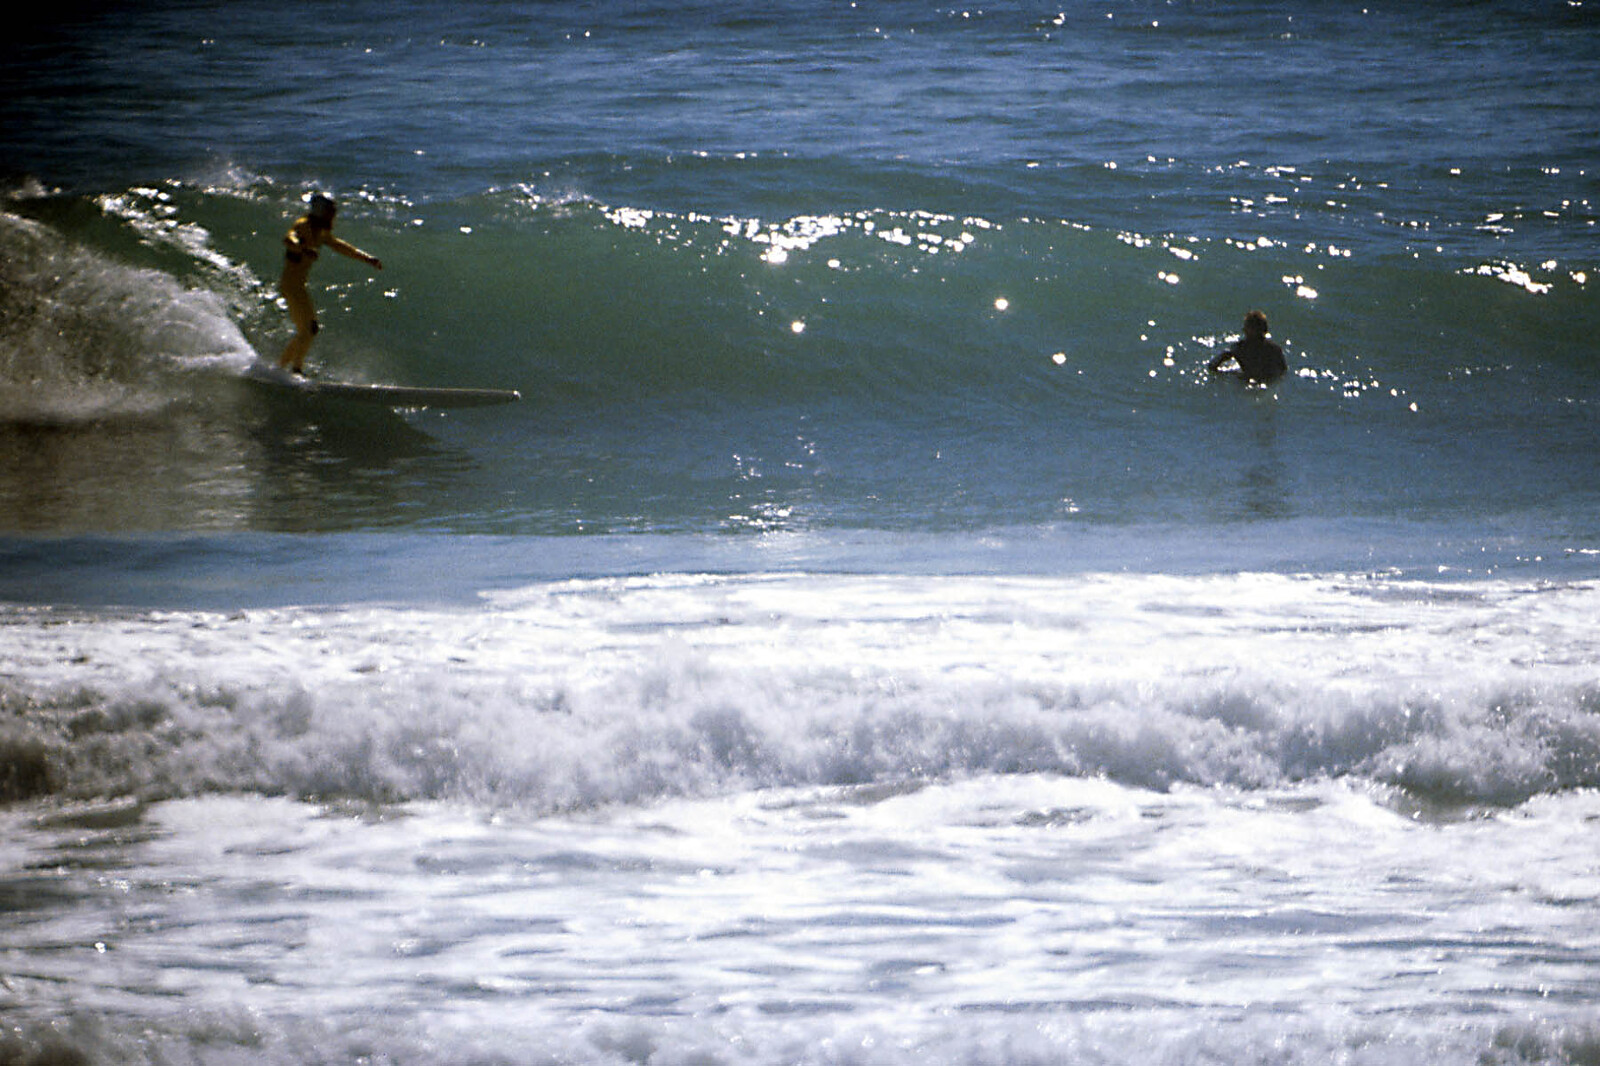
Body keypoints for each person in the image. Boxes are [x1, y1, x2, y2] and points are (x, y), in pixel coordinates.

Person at [277, 192, 383, 375]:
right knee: (309, 329)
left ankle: (281, 369)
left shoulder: (321, 233)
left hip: (297, 287)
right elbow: (289, 238)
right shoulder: (303, 226)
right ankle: (295, 370)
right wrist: (303, 248)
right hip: (291, 286)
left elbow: (340, 246)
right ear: (320, 212)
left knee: (308, 330)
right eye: (330, 212)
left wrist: (367, 259)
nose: (333, 216)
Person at [1207, 310, 1286, 383]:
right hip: (1267, 381)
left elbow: (1212, 366)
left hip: (1246, 381)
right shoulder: (1274, 349)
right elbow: (1283, 371)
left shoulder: (1240, 348)